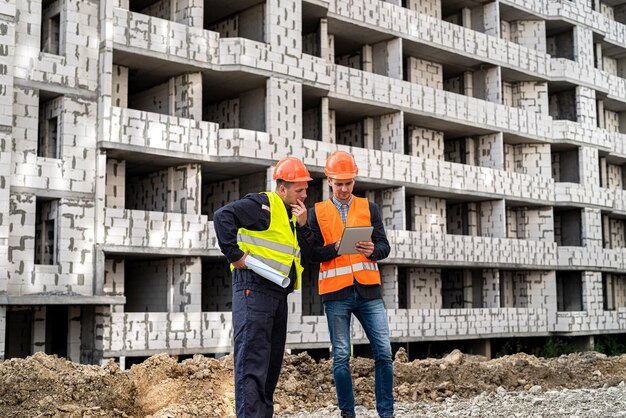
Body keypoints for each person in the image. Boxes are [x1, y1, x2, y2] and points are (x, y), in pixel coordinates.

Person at [214, 156, 315, 418]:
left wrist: (304, 226)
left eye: (306, 189)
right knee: (252, 365)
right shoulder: (263, 204)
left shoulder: (291, 217)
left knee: (270, 368)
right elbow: (222, 216)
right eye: (299, 190)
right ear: (283, 188)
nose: (305, 195)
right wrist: (235, 255)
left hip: (277, 294)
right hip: (253, 291)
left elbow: (308, 252)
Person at [308, 150, 394, 418]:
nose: (344, 189)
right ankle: (348, 413)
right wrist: (335, 248)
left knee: (384, 353)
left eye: (348, 183)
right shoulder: (317, 213)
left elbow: (384, 246)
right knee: (342, 357)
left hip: (369, 292)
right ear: (329, 180)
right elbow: (311, 255)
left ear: (354, 181)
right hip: (336, 294)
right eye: (339, 183)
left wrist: (373, 250)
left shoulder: (370, 208)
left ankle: (387, 413)